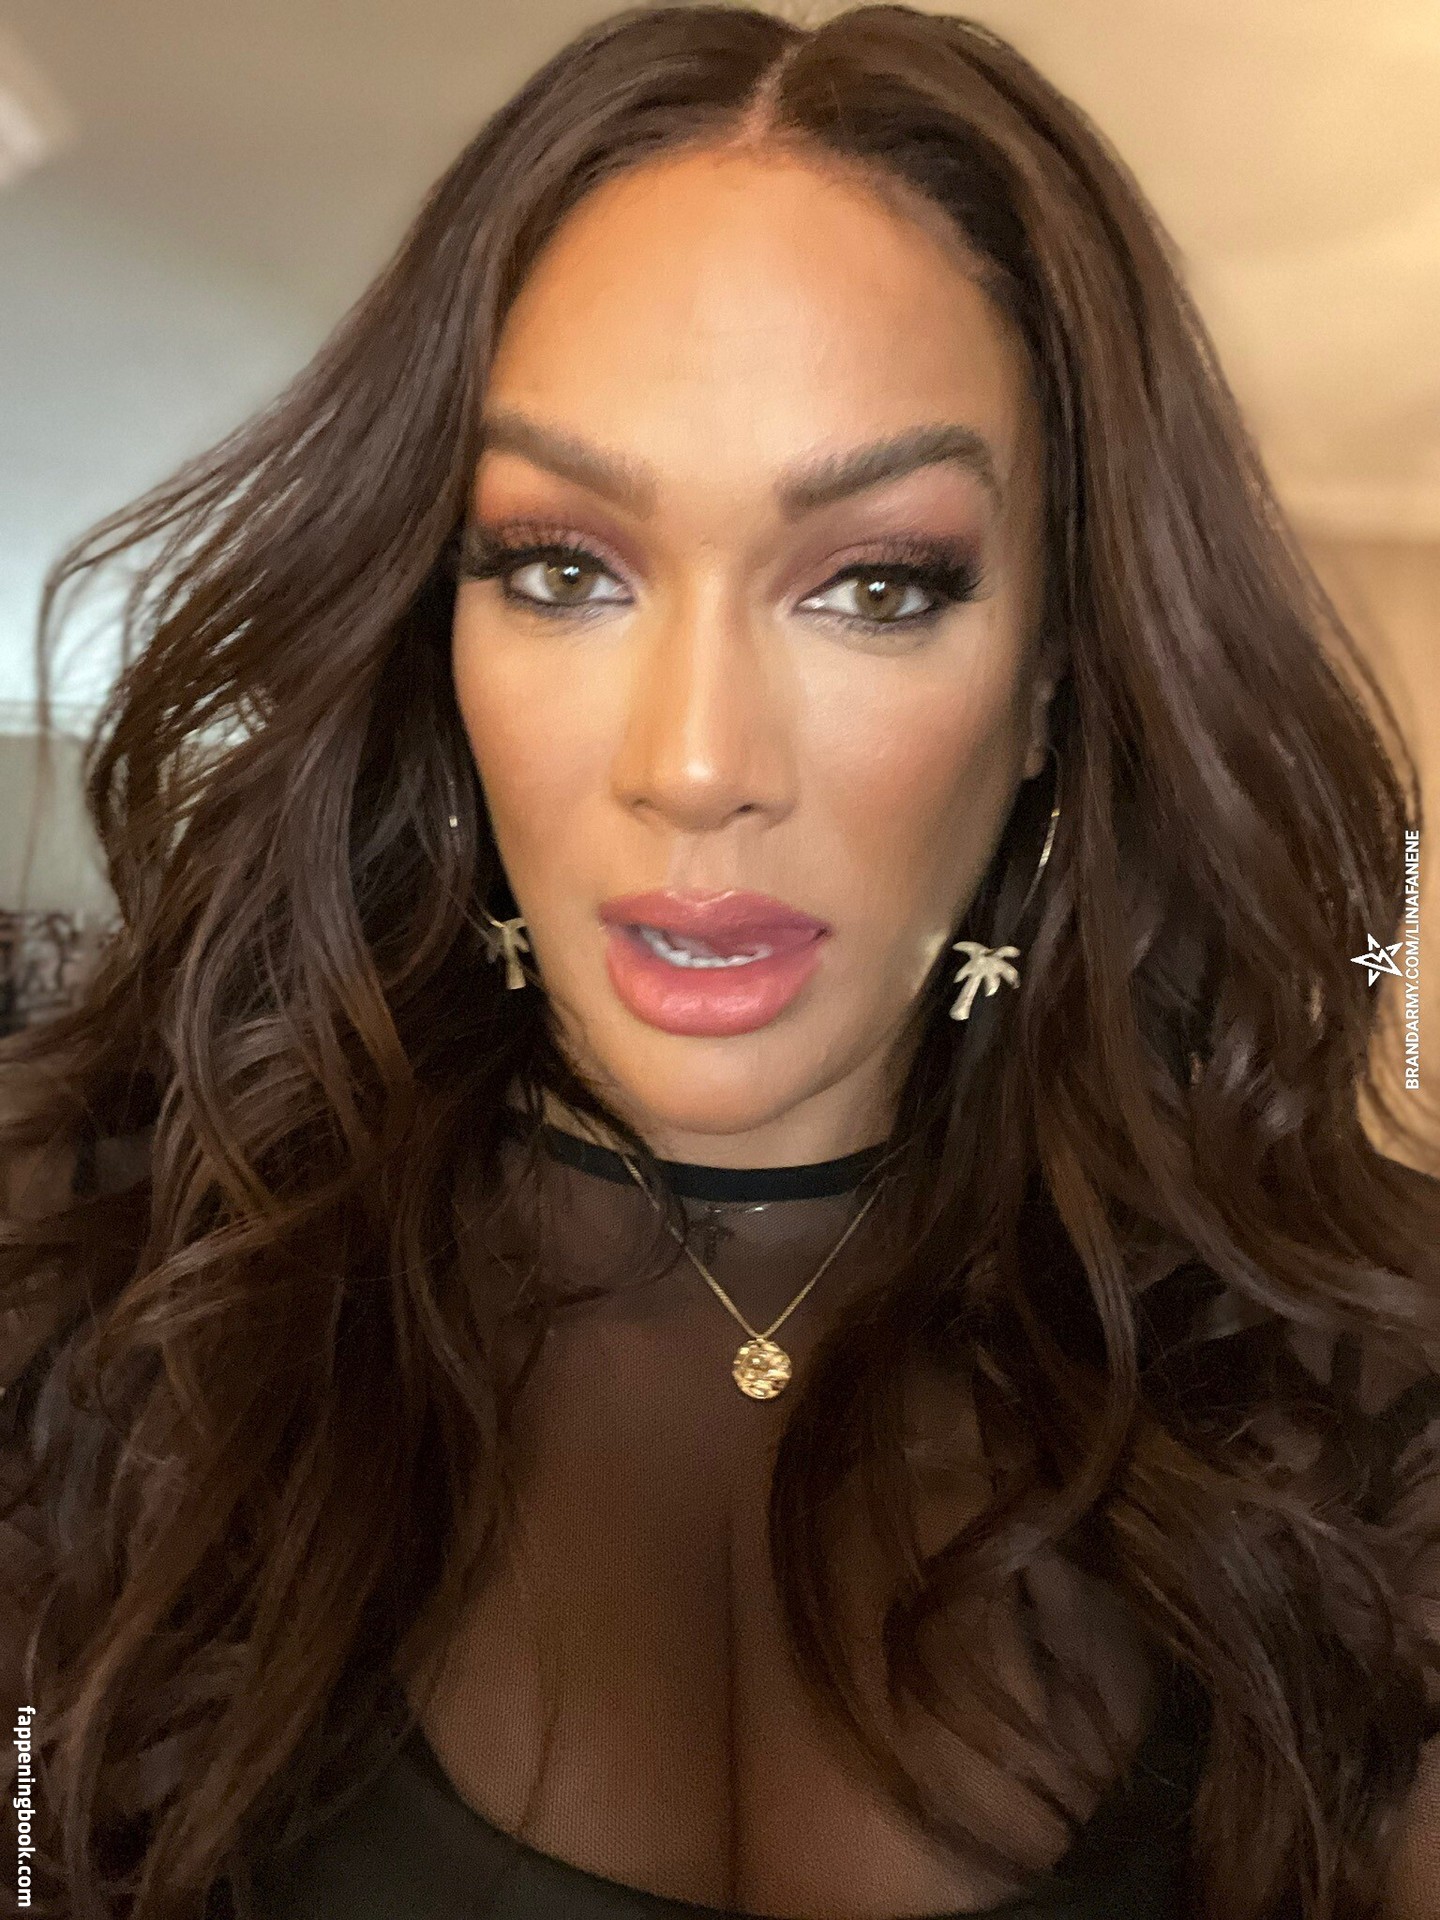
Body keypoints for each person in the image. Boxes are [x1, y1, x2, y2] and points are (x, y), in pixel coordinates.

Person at [2, 5, 1438, 1916]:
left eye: (876, 584)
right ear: (437, 624)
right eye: (563, 569)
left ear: (1052, 674)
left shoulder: (1367, 1386)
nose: (693, 765)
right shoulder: (99, 1281)